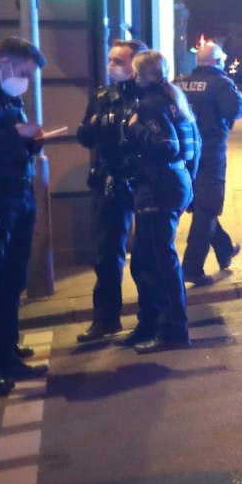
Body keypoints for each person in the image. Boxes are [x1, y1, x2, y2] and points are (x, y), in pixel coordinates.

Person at [0, 39, 51, 395]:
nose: (25, 81)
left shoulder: (7, 97)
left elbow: (14, 138)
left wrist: (32, 139)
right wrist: (15, 134)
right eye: (24, 73)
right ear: (5, 63)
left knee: (10, 283)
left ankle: (5, 356)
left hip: (16, 197)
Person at [121, 50, 201, 352]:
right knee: (149, 259)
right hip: (172, 184)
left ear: (143, 74)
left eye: (135, 71)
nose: (132, 76)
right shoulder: (174, 99)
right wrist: (187, 183)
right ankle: (155, 326)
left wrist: (134, 128)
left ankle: (172, 331)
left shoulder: (152, 104)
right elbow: (194, 146)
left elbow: (168, 146)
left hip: (159, 187)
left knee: (160, 261)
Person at [74, 38, 145, 342]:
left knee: (145, 254)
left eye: (119, 61)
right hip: (109, 179)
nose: (112, 66)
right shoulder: (103, 96)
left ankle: (149, 318)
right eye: (110, 60)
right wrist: (93, 124)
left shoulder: (149, 94)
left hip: (142, 180)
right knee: (106, 253)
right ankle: (105, 319)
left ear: (135, 65)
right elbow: (85, 137)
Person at [177, 41, 242, 286]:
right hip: (210, 153)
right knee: (207, 207)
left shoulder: (180, 83)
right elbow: (236, 108)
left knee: (202, 205)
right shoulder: (220, 83)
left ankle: (224, 249)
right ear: (218, 61)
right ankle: (192, 267)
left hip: (185, 153)